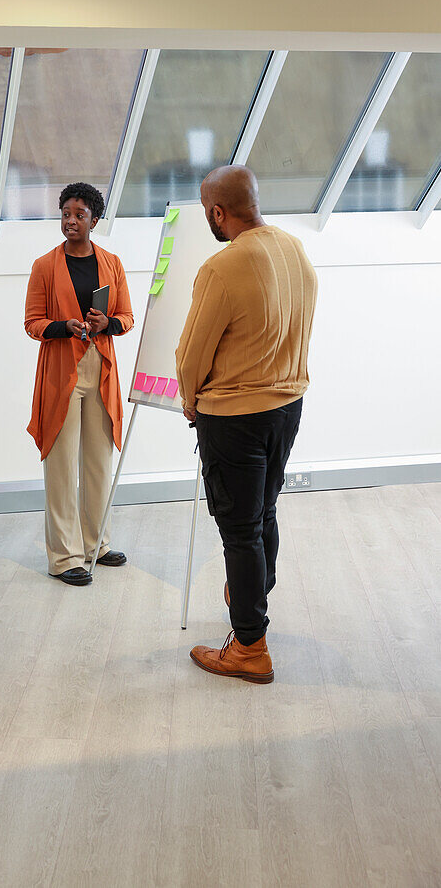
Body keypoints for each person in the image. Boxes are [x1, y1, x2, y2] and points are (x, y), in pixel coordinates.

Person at [176, 165, 318, 684]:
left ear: (218, 212)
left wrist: (189, 400)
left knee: (238, 530)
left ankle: (249, 649)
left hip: (234, 417)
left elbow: (192, 353)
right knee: (262, 515)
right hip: (287, 406)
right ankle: (253, 600)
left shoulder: (223, 267)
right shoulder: (294, 250)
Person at [25, 182, 134, 586]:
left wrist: (109, 323)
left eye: (79, 215)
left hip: (101, 368)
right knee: (61, 462)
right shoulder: (44, 266)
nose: (70, 221)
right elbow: (32, 323)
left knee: (97, 462)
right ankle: (64, 556)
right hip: (61, 372)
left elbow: (126, 316)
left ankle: (97, 544)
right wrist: (62, 326)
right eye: (66, 213)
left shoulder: (112, 262)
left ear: (95, 220)